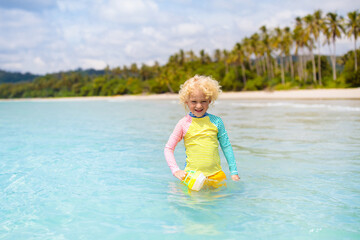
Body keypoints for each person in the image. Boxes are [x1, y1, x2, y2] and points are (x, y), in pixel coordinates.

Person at [164, 75, 240, 187]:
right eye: (194, 101)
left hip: (216, 176)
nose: (199, 106)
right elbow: (168, 148)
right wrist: (176, 170)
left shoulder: (217, 121)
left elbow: (226, 146)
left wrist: (234, 172)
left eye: (203, 101)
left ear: (209, 100)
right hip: (192, 177)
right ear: (186, 101)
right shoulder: (183, 123)